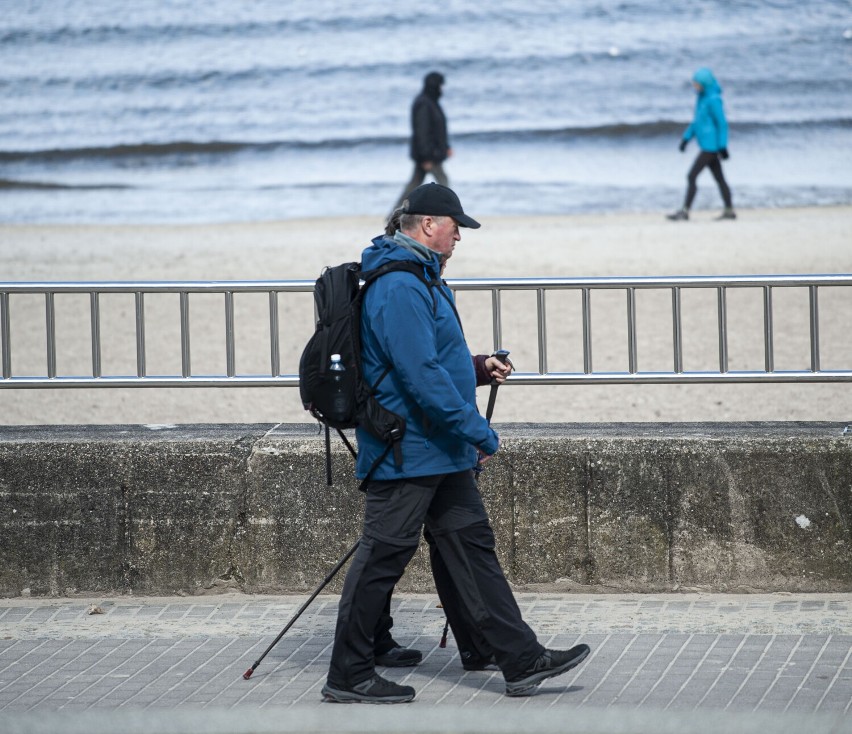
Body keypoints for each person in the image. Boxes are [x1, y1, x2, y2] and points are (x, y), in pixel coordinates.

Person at [322, 183, 590, 704]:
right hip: (409, 448)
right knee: (382, 556)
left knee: (470, 546)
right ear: (427, 225)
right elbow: (417, 374)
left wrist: (476, 368)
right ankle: (348, 675)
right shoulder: (399, 285)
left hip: (436, 446)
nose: (460, 236)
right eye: (455, 226)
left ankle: (515, 658)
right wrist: (477, 431)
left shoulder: (421, 275)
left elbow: (431, 363)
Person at [667, 67, 736, 221]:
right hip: (705, 145)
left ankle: (685, 211)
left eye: (696, 84)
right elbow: (697, 123)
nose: (695, 86)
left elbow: (722, 124)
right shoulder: (701, 98)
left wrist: (723, 146)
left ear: (704, 83)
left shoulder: (714, 100)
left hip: (711, 147)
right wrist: (686, 138)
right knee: (720, 179)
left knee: (691, 176)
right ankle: (729, 210)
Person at [392, 72, 453, 212]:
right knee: (443, 183)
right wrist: (426, 156)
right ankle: (450, 212)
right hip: (429, 154)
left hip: (432, 152)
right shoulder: (424, 103)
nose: (442, 89)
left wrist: (446, 147)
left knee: (413, 185)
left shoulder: (430, 102)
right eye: (440, 86)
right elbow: (422, 132)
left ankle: (394, 214)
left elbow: (438, 130)